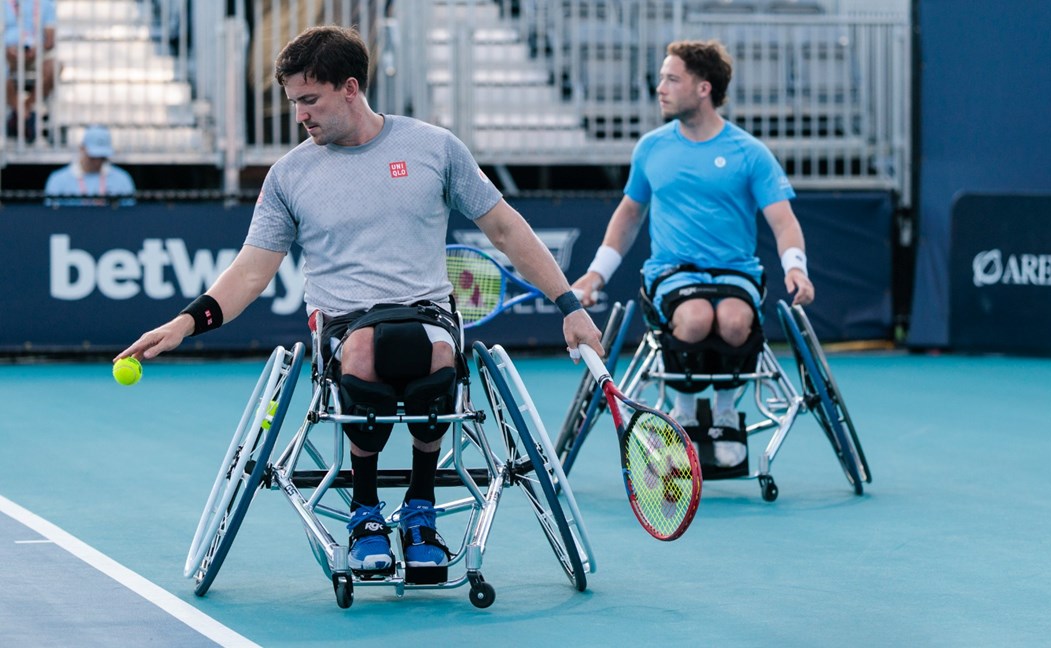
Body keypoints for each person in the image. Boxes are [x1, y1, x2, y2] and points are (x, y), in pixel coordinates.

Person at [115, 25, 602, 581]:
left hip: (428, 313)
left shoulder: (434, 148)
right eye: (294, 101)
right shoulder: (289, 175)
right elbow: (251, 272)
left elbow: (506, 229)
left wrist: (570, 306)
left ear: (350, 88)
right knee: (368, 350)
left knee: (437, 353)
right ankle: (365, 512)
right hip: (343, 323)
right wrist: (184, 323)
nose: (300, 114)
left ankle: (421, 512)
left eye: (309, 100)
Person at [572, 40, 814, 470]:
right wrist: (595, 275)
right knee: (697, 317)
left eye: (671, 78)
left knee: (736, 321)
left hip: (734, 273)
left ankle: (724, 415)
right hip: (672, 274)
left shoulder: (749, 152)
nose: (659, 87)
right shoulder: (651, 148)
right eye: (661, 77)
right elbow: (628, 216)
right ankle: (682, 413)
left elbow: (783, 221)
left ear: (703, 88)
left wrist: (796, 269)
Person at [4, 0, 60, 141]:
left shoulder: (46, 2)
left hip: (36, 54)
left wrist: (38, 48)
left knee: (54, 67)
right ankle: (25, 116)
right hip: (5, 54)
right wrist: (7, 50)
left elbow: (50, 39)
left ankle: (21, 112)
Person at [44, 125, 137, 207]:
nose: (98, 161)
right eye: (93, 156)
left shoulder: (122, 179)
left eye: (102, 157)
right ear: (82, 149)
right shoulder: (58, 180)